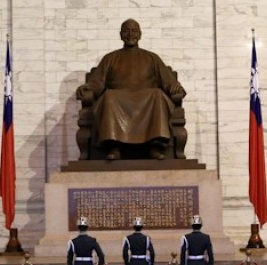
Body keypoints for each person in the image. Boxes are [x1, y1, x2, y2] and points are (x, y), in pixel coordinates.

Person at [75, 18, 186, 160]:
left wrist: (174, 88)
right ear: (120, 35)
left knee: (157, 94)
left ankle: (155, 145)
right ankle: (113, 146)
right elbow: (97, 82)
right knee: (109, 96)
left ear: (140, 35)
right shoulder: (110, 58)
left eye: (134, 31)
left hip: (148, 99)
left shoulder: (152, 57)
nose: (130, 34)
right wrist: (88, 87)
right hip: (117, 100)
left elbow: (167, 81)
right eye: (126, 31)